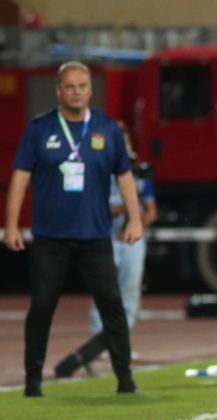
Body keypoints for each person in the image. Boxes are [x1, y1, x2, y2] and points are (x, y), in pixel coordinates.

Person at [3, 61, 142, 396]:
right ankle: (32, 382)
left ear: (90, 91)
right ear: (58, 90)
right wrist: (11, 226)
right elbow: (20, 178)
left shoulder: (108, 129)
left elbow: (124, 176)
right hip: (50, 237)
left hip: (95, 236)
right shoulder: (39, 129)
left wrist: (135, 219)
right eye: (69, 86)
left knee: (112, 306)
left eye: (82, 86)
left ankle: (125, 380)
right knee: (42, 307)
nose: (76, 92)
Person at [53, 121, 157, 378]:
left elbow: (151, 211)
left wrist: (134, 224)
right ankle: (100, 344)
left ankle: (118, 342)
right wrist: (124, 209)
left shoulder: (139, 174)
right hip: (104, 240)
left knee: (130, 292)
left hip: (131, 241)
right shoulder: (95, 171)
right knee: (104, 292)